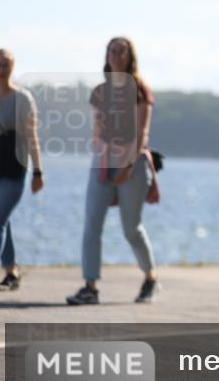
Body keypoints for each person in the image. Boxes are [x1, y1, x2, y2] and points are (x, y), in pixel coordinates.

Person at [67, 37, 160, 305]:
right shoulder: (99, 92)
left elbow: (142, 132)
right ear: (106, 56)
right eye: (112, 51)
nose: (117, 55)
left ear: (130, 57)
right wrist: (101, 151)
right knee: (91, 225)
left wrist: (127, 166)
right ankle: (90, 287)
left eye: (122, 51)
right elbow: (97, 129)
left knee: (131, 228)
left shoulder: (140, 91)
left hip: (133, 163)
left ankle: (150, 279)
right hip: (103, 162)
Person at [0, 49, 44, 291]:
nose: (2, 70)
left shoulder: (22, 99)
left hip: (13, 170)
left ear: (13, 68)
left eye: (7, 65)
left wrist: (38, 171)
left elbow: (32, 137)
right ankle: (11, 272)